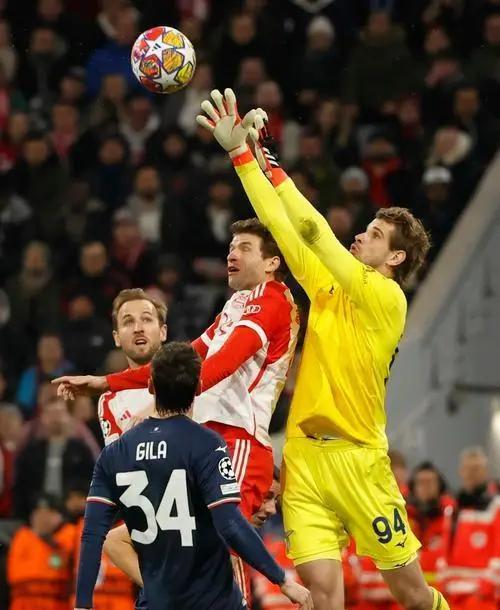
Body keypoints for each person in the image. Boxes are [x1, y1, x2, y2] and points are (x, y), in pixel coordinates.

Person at [195, 88, 449, 610]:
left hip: (360, 459)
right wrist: (242, 156)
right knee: (322, 595)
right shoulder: (328, 286)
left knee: (412, 596)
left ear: (395, 258)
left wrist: (268, 162)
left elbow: (315, 232)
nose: (361, 236)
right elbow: (283, 228)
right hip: (305, 458)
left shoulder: (388, 300)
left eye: (374, 235)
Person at [56, 218, 299, 604]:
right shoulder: (237, 303)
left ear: (272, 262)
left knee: (221, 545)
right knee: (159, 545)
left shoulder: (271, 300)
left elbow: (218, 366)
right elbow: (189, 358)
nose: (231, 254)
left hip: (236, 437)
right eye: (230, 247)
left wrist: (159, 400)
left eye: (244, 248)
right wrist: (106, 382)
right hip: (204, 444)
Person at [73, 342, 311, 610]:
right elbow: (230, 522)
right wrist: (281, 579)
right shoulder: (207, 445)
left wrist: (83, 604)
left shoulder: (114, 453)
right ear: (199, 387)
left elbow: (93, 534)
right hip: (212, 602)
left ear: (150, 386)